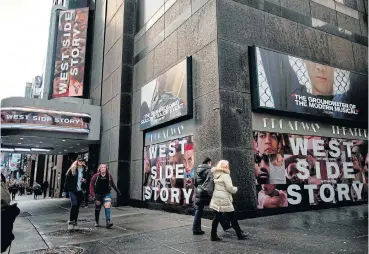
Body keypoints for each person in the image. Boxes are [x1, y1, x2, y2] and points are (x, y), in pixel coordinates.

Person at [209, 160, 247, 241]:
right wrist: (236, 189)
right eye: (227, 165)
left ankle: (213, 236)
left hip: (216, 198)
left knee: (216, 218)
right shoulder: (225, 175)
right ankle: (239, 235)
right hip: (224, 199)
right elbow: (230, 188)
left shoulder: (216, 174)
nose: (228, 166)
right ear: (225, 166)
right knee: (232, 218)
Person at [193, 157, 232, 235]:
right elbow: (210, 183)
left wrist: (200, 188)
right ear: (209, 162)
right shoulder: (209, 170)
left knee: (198, 211)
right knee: (217, 209)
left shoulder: (197, 170)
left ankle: (196, 229)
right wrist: (211, 193)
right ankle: (225, 225)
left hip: (198, 192)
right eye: (211, 163)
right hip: (206, 193)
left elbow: (195, 183)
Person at [89, 164, 121, 228]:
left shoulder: (109, 176)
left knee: (107, 206)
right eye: (102, 167)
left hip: (106, 193)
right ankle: (96, 221)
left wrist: (118, 192)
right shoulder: (96, 176)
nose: (103, 168)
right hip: (98, 194)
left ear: (106, 169)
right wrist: (93, 195)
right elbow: (91, 186)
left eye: (105, 167)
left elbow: (113, 184)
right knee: (98, 208)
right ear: (100, 169)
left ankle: (108, 222)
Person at [63, 158, 89, 230]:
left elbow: (88, 180)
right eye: (80, 161)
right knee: (74, 204)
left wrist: (85, 180)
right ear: (77, 161)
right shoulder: (72, 170)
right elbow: (67, 181)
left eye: (82, 161)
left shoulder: (85, 170)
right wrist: (64, 191)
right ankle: (71, 221)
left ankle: (75, 221)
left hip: (80, 191)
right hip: (73, 190)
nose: (81, 162)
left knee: (77, 206)